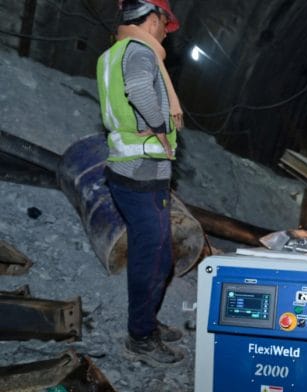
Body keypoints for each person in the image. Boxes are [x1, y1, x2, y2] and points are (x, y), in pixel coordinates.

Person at [96, 0, 184, 366]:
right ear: (151, 18)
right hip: (142, 173)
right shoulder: (140, 52)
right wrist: (162, 128)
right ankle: (141, 337)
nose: (167, 32)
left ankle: (146, 322)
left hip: (127, 168)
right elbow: (139, 90)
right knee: (153, 258)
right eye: (165, 23)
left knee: (158, 254)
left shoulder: (112, 53)